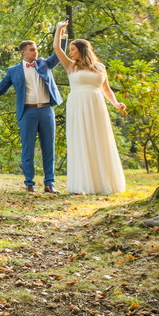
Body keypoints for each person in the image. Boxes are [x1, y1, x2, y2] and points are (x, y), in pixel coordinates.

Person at [0, 35, 64, 194]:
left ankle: (49, 184)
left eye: (36, 49)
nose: (36, 52)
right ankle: (29, 184)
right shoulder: (13, 71)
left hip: (46, 111)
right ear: (23, 52)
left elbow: (59, 54)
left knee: (49, 148)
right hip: (27, 112)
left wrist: (62, 36)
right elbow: (1, 88)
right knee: (28, 149)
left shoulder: (45, 64)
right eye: (32, 50)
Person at [53, 20, 127, 195]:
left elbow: (106, 89)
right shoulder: (71, 66)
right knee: (81, 140)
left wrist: (116, 104)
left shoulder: (100, 67)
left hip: (96, 106)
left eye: (73, 49)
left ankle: (103, 183)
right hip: (77, 106)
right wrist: (59, 29)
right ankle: (84, 183)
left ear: (82, 50)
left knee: (100, 139)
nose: (70, 53)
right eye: (70, 50)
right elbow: (57, 49)